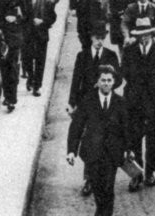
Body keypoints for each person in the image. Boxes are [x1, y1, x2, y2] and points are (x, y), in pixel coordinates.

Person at [67, 66, 132, 216]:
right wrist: (71, 151)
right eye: (103, 80)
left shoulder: (120, 102)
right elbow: (76, 126)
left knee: (108, 189)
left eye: (109, 80)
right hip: (92, 154)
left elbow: (127, 128)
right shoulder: (87, 101)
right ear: (98, 81)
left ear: (114, 82)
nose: (106, 83)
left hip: (112, 155)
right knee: (98, 189)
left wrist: (129, 149)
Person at [120, 18, 155, 191]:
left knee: (153, 138)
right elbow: (124, 73)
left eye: (147, 34)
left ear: (152, 34)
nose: (143, 38)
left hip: (154, 102)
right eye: (140, 35)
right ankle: (136, 174)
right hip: (134, 102)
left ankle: (150, 172)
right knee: (134, 138)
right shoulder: (129, 51)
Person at [0, 0, 27, 112]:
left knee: (12, 69)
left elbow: (26, 16)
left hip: (14, 38)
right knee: (2, 69)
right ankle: (5, 96)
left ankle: (11, 99)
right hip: (0, 39)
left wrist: (16, 19)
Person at [23, 0, 56, 96]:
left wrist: (43, 21)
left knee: (40, 60)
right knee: (27, 59)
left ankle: (37, 86)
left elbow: (53, 17)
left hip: (41, 34)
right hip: (27, 34)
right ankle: (30, 77)